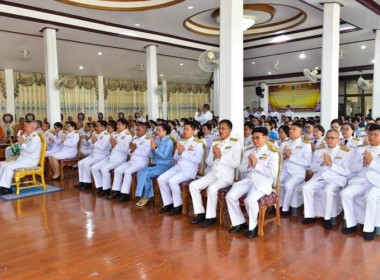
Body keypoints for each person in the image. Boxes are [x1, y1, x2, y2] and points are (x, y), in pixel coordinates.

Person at [226, 127, 279, 238]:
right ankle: (239, 222)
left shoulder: (272, 152)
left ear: (266, 138)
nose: (255, 140)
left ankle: (253, 226)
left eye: (257, 138)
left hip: (263, 182)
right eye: (253, 138)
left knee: (249, 200)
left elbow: (273, 173)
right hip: (249, 179)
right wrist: (248, 165)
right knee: (230, 196)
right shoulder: (250, 150)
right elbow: (241, 168)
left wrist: (256, 164)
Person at [189, 119, 241, 227]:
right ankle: (200, 213)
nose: (221, 131)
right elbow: (208, 162)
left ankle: (211, 217)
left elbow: (236, 163)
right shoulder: (215, 142)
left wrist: (221, 156)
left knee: (211, 189)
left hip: (225, 176)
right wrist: (213, 155)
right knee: (193, 185)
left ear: (229, 130)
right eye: (219, 128)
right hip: (213, 174)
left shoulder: (235, 143)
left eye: (223, 128)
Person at [302, 129, 351, 229]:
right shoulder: (320, 150)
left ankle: (327, 218)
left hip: (335, 179)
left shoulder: (345, 152)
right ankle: (309, 215)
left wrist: (331, 164)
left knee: (327, 191)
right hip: (320, 177)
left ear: (338, 139)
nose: (329, 140)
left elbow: (347, 172)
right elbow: (312, 166)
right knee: (306, 187)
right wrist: (321, 164)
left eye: (332, 138)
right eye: (327, 138)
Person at [341, 124, 380, 240]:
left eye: (376, 135)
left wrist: (371, 163)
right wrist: (362, 164)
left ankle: (369, 228)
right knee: (345, 193)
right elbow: (352, 167)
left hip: (377, 183)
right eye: (370, 134)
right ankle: (351, 223)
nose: (372, 137)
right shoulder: (361, 149)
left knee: (370, 197)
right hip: (361, 180)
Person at [158, 122, 204, 215]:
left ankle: (178, 205)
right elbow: (175, 158)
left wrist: (183, 152)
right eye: (184, 129)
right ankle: (168, 202)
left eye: (187, 129)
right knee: (161, 179)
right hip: (178, 167)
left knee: (172, 181)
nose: (185, 131)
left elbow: (198, 160)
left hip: (189, 170)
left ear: (194, 131)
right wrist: (178, 153)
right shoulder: (181, 141)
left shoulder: (198, 143)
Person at [109, 122, 151, 202]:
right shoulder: (135, 138)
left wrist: (135, 150)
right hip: (132, 161)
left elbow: (145, 153)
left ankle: (125, 193)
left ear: (145, 130)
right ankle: (116, 191)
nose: (137, 132)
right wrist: (131, 150)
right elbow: (128, 151)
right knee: (118, 170)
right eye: (136, 130)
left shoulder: (148, 140)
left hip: (141, 162)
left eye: (139, 130)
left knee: (127, 172)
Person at [135, 123, 174, 206]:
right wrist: (151, 148)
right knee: (140, 172)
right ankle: (144, 195)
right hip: (155, 163)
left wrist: (155, 148)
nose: (157, 132)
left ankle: (146, 196)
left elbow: (164, 156)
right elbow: (152, 156)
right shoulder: (157, 140)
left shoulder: (169, 142)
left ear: (165, 131)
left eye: (159, 130)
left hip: (165, 165)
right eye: (157, 130)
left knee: (147, 174)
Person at [91, 118, 132, 196]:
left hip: (119, 159)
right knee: (94, 167)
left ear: (125, 125)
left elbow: (126, 149)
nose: (117, 126)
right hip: (111, 157)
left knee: (104, 169)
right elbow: (110, 146)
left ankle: (107, 189)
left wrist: (115, 145)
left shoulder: (127, 135)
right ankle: (100, 186)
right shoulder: (117, 134)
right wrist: (111, 145)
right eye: (117, 124)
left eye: (119, 125)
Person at [0, 121, 42, 195]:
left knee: (9, 167)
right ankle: (2, 185)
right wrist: (20, 141)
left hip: (30, 161)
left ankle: (6, 189)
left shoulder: (35, 138)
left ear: (32, 128)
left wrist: (22, 143)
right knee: (2, 165)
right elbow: (21, 147)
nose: (24, 128)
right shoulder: (28, 135)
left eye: (26, 127)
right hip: (23, 159)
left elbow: (30, 151)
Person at [279, 122, 312, 215]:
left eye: (294, 129)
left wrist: (291, 156)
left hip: (297, 173)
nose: (291, 131)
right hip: (284, 170)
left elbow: (307, 162)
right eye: (290, 129)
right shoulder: (284, 144)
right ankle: (279, 205)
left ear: (300, 131)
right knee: (275, 182)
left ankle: (285, 209)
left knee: (288, 184)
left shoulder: (306, 144)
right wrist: (284, 157)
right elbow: (278, 159)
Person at [76, 120, 111, 190]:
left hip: (102, 155)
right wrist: (92, 140)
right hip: (95, 154)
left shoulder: (106, 135)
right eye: (96, 126)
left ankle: (87, 182)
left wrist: (95, 142)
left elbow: (103, 148)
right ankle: (82, 181)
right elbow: (90, 143)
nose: (96, 128)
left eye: (98, 126)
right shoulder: (96, 133)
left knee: (86, 163)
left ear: (103, 127)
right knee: (80, 163)